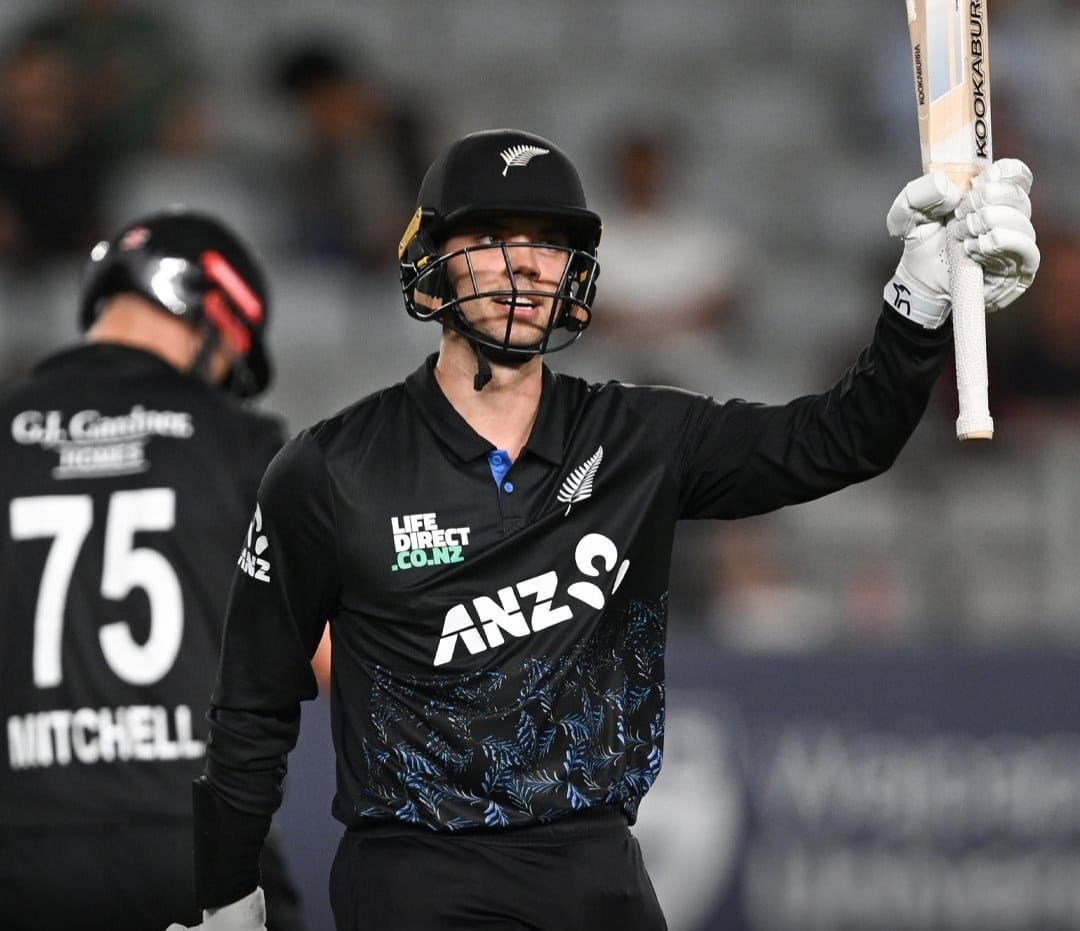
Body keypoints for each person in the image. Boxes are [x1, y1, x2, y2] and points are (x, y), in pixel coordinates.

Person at [172, 129, 1040, 931]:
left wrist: (919, 297)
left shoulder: (639, 439)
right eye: (491, 239)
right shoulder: (330, 470)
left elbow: (839, 440)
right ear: (432, 259)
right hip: (416, 872)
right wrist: (225, 892)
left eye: (547, 243)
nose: (524, 267)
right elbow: (252, 704)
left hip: (598, 868)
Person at [0, 209, 305, 931]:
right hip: (197, 849)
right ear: (217, 316)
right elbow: (334, 653)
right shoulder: (242, 440)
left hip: (23, 849)